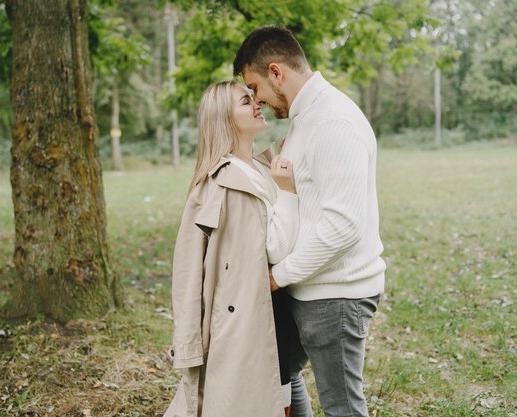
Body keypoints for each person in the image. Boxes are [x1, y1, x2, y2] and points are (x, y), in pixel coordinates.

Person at [233, 26, 386, 417]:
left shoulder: (332, 121)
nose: (258, 101)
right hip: (306, 285)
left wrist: (278, 275)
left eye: (256, 87)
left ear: (276, 72)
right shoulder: (305, 118)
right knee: (278, 370)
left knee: (342, 406)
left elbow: (344, 226)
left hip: (336, 293)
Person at [163, 80, 300, 417]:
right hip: (244, 324)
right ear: (224, 118)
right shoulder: (220, 184)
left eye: (254, 98)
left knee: (283, 394)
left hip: (276, 308)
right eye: (245, 101)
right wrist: (288, 193)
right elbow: (188, 271)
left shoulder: (260, 168)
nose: (258, 104)